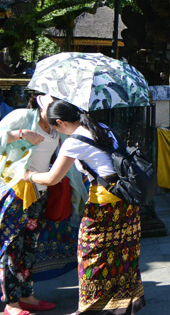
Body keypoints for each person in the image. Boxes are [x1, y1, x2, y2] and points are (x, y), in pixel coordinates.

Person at [22, 99, 145, 314]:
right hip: (126, 202)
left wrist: (29, 175)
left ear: (60, 122)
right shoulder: (101, 127)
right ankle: (123, 305)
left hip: (104, 206)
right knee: (123, 253)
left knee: (90, 254)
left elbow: (52, 178)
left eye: (54, 127)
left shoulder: (73, 141)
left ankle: (90, 308)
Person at [0, 95, 86, 315]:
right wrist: (20, 134)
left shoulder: (58, 127)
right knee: (12, 247)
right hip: (16, 191)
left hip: (40, 192)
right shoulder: (22, 117)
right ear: (41, 106)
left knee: (30, 245)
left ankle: (27, 296)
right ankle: (11, 303)